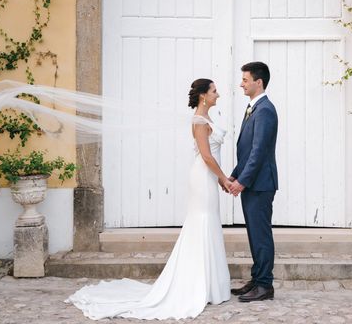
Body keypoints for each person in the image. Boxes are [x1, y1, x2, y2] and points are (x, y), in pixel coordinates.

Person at [67, 79, 232, 320]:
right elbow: (206, 156)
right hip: (202, 177)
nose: (219, 94)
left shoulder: (205, 118)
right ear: (203, 96)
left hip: (208, 178)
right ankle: (198, 285)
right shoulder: (198, 121)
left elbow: (210, 156)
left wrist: (218, 180)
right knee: (202, 222)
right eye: (214, 91)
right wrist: (224, 178)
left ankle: (210, 284)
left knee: (208, 222)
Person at [228, 62, 279, 302]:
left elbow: (259, 152)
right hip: (252, 182)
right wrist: (235, 174)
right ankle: (257, 279)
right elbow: (247, 151)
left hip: (260, 184)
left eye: (245, 80)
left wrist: (242, 182)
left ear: (258, 82)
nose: (241, 83)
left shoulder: (265, 110)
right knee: (254, 235)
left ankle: (264, 285)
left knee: (261, 236)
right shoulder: (254, 108)